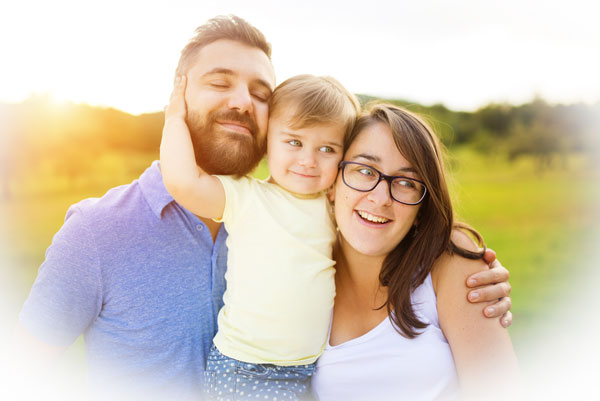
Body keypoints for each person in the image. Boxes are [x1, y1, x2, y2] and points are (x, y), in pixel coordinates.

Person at [11, 15, 512, 401]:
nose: (243, 102)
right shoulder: (98, 231)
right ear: (178, 93)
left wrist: (467, 265)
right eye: (219, 82)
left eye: (260, 92)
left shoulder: (318, 220)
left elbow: (387, 225)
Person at [160, 72, 360, 401]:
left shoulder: (334, 205)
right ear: (267, 141)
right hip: (247, 369)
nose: (308, 160)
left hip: (307, 369)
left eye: (327, 148)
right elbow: (184, 182)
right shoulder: (247, 197)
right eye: (294, 142)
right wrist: (175, 120)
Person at [311, 103, 519, 401]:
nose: (381, 198)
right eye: (365, 170)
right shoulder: (303, 269)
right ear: (332, 184)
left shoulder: (450, 262)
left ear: (423, 206)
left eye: (407, 182)